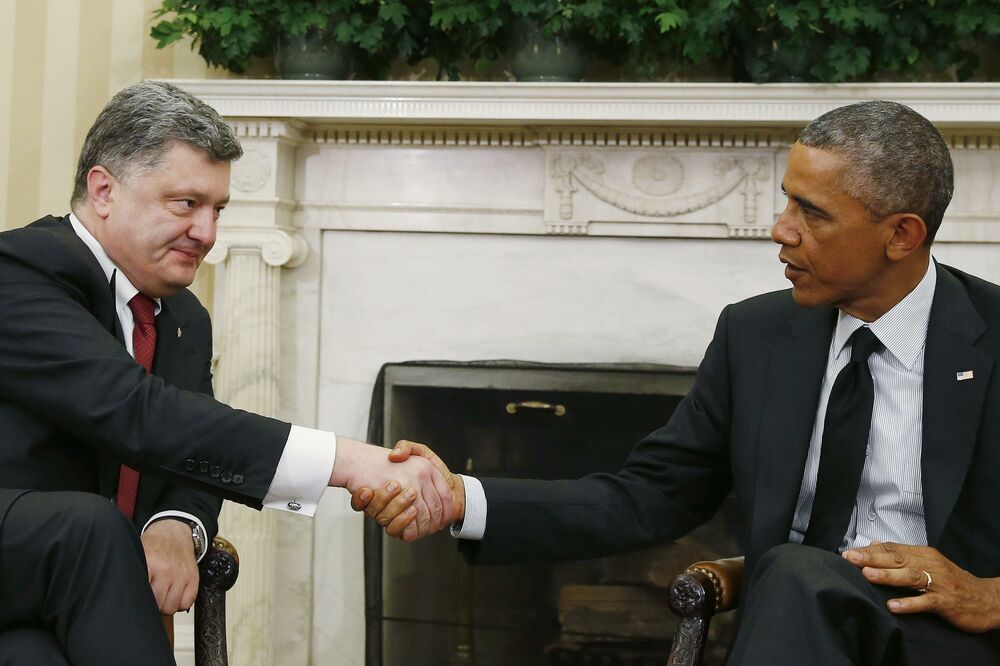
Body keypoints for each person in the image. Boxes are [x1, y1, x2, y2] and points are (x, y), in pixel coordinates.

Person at [354, 101, 1000, 665]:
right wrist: (464, 499)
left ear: (901, 235)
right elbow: (652, 495)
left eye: (813, 213)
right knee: (796, 573)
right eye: (785, 200)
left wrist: (991, 595)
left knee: (794, 571)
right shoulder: (758, 336)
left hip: (948, 638)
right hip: (800, 624)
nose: (781, 230)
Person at [0, 80, 456, 666]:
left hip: (42, 593)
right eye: (186, 204)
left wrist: (176, 523)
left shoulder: (182, 315)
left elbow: (194, 449)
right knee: (89, 527)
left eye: (218, 209)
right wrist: (351, 461)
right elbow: (137, 413)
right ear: (104, 189)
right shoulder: (19, 272)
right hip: (45, 550)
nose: (209, 234)